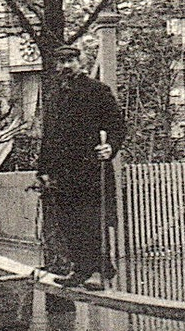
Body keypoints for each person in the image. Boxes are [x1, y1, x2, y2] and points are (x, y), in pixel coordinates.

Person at [37, 44, 126, 289]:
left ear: (80, 62)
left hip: (90, 168)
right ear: (56, 66)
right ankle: (79, 269)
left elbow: (117, 126)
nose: (66, 66)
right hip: (62, 171)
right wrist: (43, 169)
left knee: (93, 219)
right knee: (68, 221)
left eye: (71, 61)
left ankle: (99, 271)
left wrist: (111, 147)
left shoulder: (97, 90)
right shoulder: (55, 96)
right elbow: (49, 135)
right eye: (62, 62)